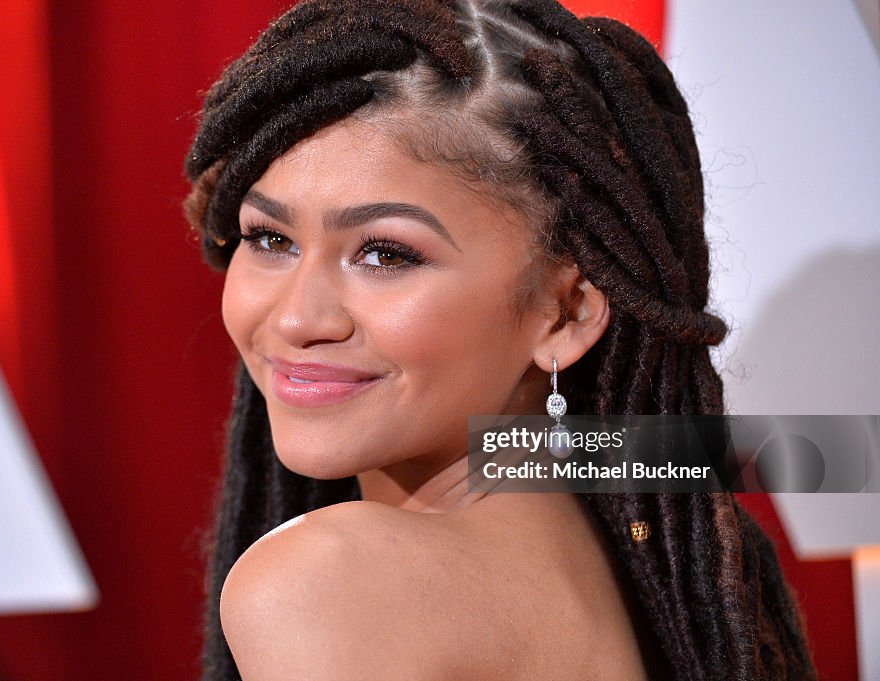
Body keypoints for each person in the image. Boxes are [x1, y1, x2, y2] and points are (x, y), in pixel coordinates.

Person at [182, 0, 817, 678]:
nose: (296, 319)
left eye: (387, 254)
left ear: (566, 313)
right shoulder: (632, 568)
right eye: (270, 238)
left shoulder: (322, 582)